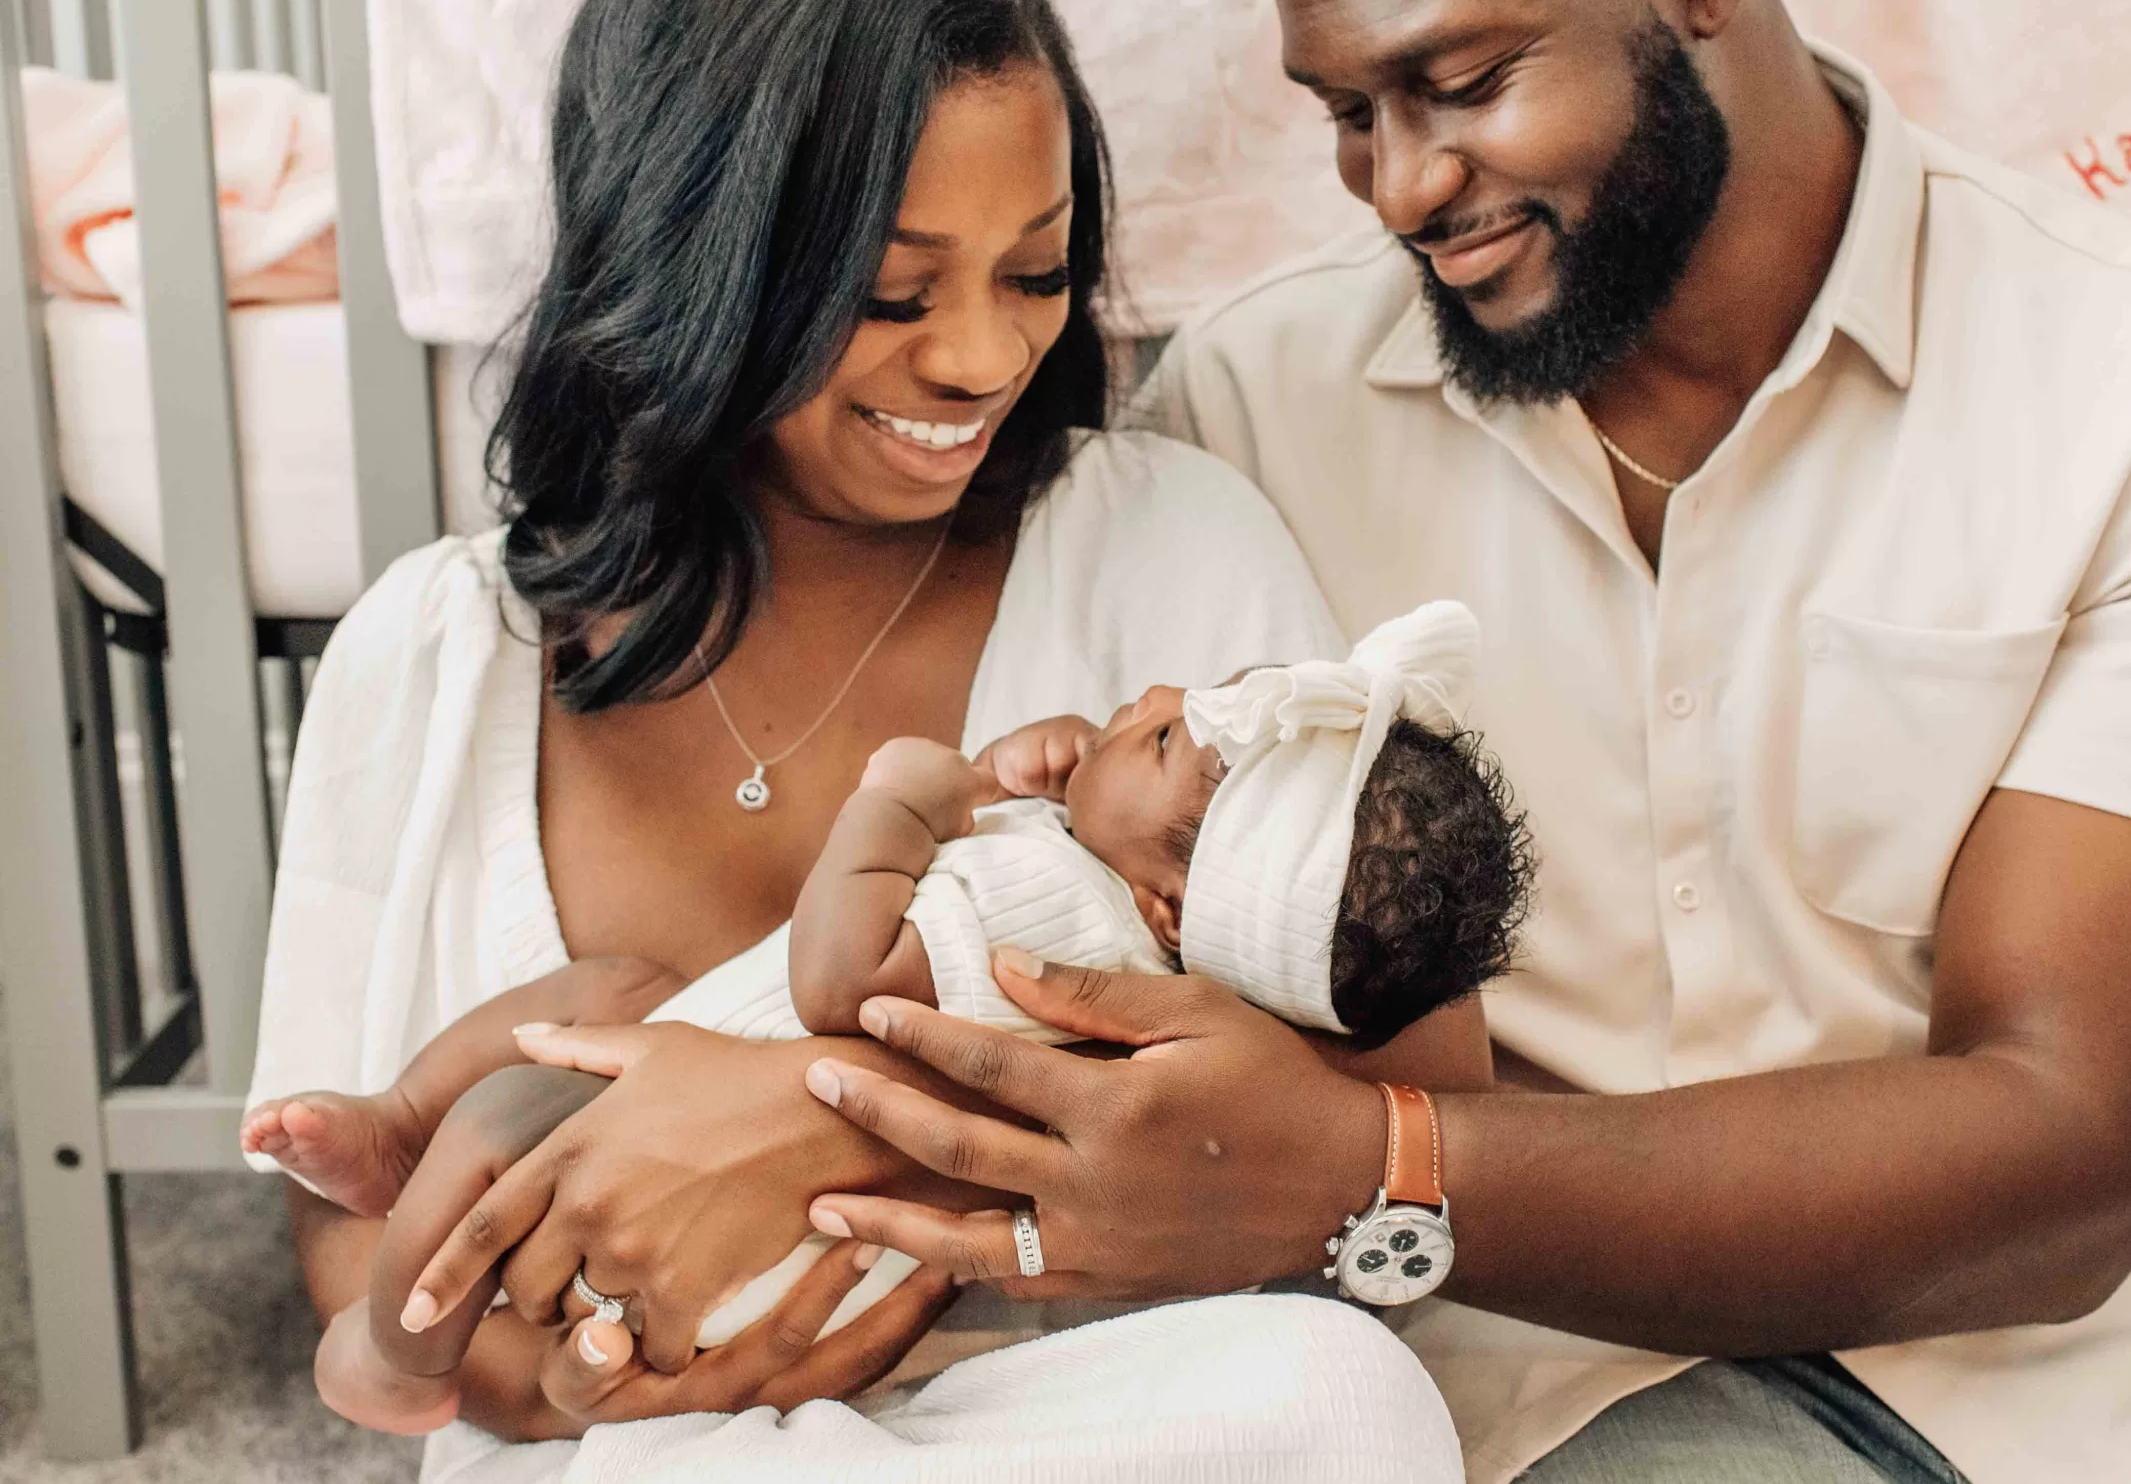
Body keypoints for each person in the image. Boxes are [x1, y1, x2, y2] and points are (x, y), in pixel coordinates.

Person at [402, 0, 2131, 1482]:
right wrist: (769, 1089)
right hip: (1566, 1381)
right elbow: (1055, 918)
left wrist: (1363, 1159)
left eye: (1460, 80)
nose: (1399, 186)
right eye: (1340, 111)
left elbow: (2069, 1152)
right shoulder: (1246, 409)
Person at [243, 0, 1463, 1483]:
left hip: (1060, 1402)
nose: (980, 357)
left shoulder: (1167, 547)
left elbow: (1409, 1079)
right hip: (632, 1449)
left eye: (1035, 272)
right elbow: (354, 1269)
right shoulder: (430, 659)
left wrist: (828, 1124)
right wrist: (588, 1387)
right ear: (700, 262)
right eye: (893, 296)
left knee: (1347, 1397)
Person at [249, 605, 1527, 1433]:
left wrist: (904, 803)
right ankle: (404, 1137)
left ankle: (394, 1349)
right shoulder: (1169, 947)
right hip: (723, 1187)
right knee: (617, 992)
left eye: (1157, 737)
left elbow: (843, 985)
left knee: (514, 1102)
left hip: (711, 1211)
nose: (1141, 692)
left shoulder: (1053, 905)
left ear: (1167, 899)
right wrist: (1070, 774)